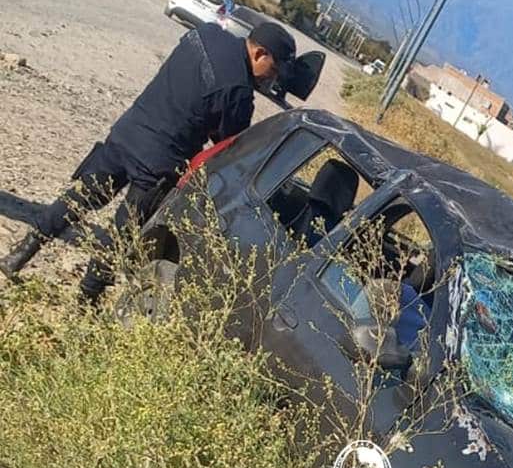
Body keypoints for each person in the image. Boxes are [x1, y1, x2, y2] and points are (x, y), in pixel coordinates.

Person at [0, 20, 296, 303]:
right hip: (158, 165)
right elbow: (228, 144)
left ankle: (20, 255)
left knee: (78, 200)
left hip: (126, 134)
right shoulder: (238, 91)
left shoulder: (205, 34)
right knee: (120, 234)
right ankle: (86, 299)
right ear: (260, 53)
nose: (272, 78)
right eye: (274, 70)